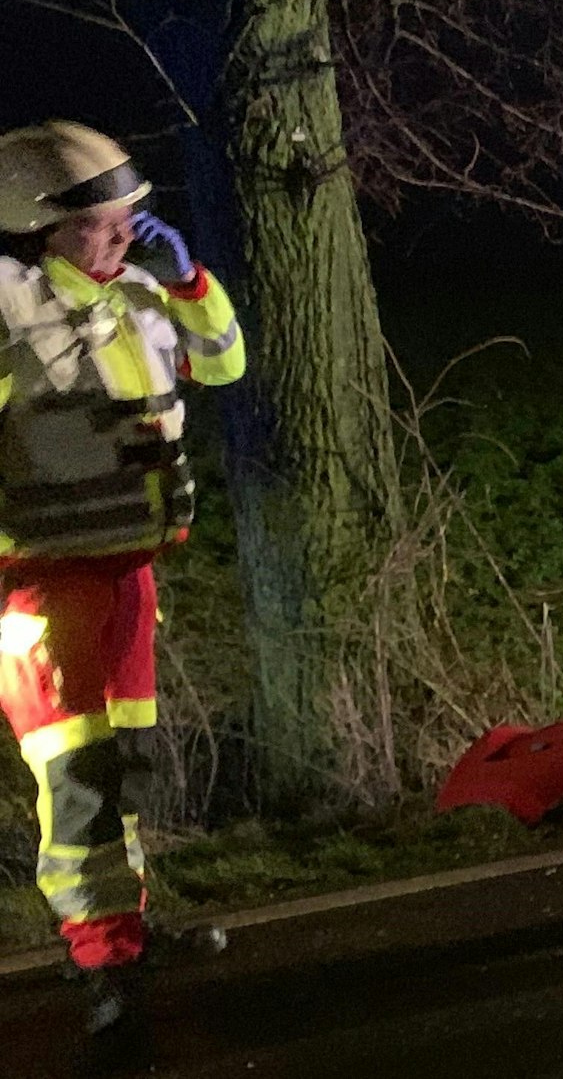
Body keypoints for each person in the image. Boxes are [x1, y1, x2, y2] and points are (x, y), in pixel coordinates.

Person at [0, 121, 245, 1037]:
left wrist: (189, 285)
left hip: (128, 573)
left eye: (129, 218)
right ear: (39, 227)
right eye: (101, 223)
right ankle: (98, 961)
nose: (123, 234)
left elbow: (225, 363)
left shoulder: (147, 291)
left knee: (128, 763)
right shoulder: (9, 305)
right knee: (79, 777)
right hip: (38, 585)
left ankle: (126, 927)